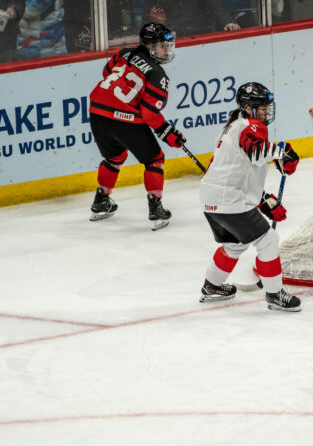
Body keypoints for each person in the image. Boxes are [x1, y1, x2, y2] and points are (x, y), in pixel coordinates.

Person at [197, 82, 301, 312]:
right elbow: (255, 154)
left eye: (266, 107)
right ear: (246, 107)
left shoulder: (231, 128)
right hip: (229, 199)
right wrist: (281, 152)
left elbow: (234, 170)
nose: (265, 112)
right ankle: (275, 294)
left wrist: (262, 199)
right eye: (259, 107)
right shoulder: (252, 126)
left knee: (235, 244)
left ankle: (212, 287)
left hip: (211, 199)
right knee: (268, 240)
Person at [87, 22, 184, 230]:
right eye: (162, 46)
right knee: (155, 159)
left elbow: (107, 73)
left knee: (114, 157)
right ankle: (155, 208)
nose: (167, 50)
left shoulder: (124, 53)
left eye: (168, 46)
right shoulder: (157, 74)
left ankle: (101, 201)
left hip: (97, 112)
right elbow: (149, 113)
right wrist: (168, 134)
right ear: (149, 46)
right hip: (123, 120)